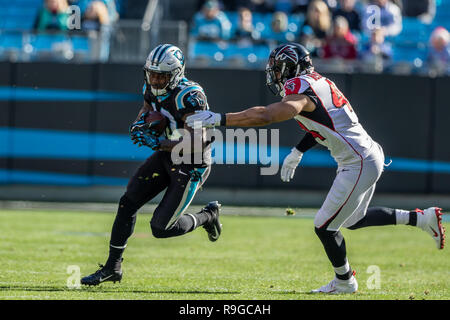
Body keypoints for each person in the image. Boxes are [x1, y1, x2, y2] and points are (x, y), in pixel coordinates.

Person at [185, 43, 445, 294]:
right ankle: (422, 219)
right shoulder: (319, 82)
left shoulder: (299, 86)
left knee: (324, 226)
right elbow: (322, 124)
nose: (274, 74)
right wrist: (298, 151)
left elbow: (267, 115)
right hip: (365, 155)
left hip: (358, 162)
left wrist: (220, 119)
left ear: (291, 67)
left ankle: (344, 281)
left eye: (278, 68)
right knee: (353, 220)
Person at [81, 44, 222, 286]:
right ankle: (112, 267)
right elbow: (147, 109)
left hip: (191, 163)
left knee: (161, 228)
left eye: (161, 76)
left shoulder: (190, 96)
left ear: (176, 74)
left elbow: (200, 141)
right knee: (128, 203)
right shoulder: (150, 85)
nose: (155, 80)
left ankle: (207, 216)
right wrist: (139, 124)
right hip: (167, 155)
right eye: (152, 74)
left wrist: (159, 142)